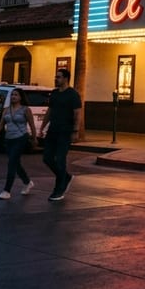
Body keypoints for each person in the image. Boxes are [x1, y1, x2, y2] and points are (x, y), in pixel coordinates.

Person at [41, 68, 82, 202]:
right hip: (53, 130)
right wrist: (42, 126)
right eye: (56, 77)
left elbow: (77, 113)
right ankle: (66, 177)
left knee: (60, 159)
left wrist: (75, 131)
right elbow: (50, 111)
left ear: (65, 78)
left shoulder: (73, 94)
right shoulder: (54, 94)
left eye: (58, 77)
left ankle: (59, 189)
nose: (56, 79)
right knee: (47, 158)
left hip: (65, 131)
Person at [0, 87, 38, 199]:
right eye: (12, 95)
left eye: (16, 95)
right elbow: (1, 124)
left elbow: (31, 124)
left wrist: (34, 138)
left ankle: (7, 190)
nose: (13, 97)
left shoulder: (25, 110)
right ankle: (27, 182)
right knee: (15, 163)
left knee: (11, 163)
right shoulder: (6, 110)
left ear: (21, 97)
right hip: (9, 139)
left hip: (21, 137)